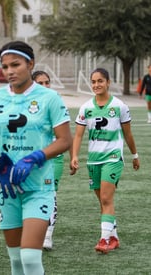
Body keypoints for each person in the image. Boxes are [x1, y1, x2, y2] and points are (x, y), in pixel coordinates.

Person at [0, 41, 72, 275]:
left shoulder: (50, 98)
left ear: (30, 64)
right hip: (7, 188)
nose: (9, 71)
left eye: (15, 65)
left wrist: (36, 156)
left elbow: (65, 140)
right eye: (5, 67)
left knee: (30, 258)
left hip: (39, 187)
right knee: (16, 260)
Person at [70, 68, 140, 254]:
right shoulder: (85, 108)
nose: (96, 85)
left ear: (108, 82)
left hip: (113, 158)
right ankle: (114, 237)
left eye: (100, 81)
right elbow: (78, 135)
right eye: (93, 82)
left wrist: (135, 155)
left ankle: (104, 240)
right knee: (102, 202)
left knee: (107, 198)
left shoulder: (120, 106)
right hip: (93, 161)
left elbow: (128, 134)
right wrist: (75, 156)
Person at [32, 70, 62, 250]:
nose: (45, 86)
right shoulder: (24, 103)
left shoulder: (55, 102)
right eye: (40, 83)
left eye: (47, 82)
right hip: (31, 159)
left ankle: (47, 236)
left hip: (53, 158)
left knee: (50, 195)